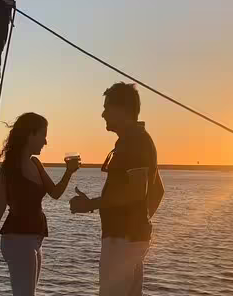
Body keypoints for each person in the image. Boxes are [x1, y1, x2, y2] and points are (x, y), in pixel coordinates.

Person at [70, 82, 165, 296]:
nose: (103, 114)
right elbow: (157, 190)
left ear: (122, 110)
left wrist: (90, 204)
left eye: (107, 108)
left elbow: (137, 192)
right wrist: (141, 220)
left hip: (123, 240)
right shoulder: (133, 140)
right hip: (129, 238)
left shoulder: (135, 141)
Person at [0, 112, 81, 296]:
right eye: (43, 135)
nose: (46, 142)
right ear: (30, 135)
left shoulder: (36, 163)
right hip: (17, 239)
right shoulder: (8, 169)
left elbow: (55, 193)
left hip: (34, 239)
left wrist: (69, 172)